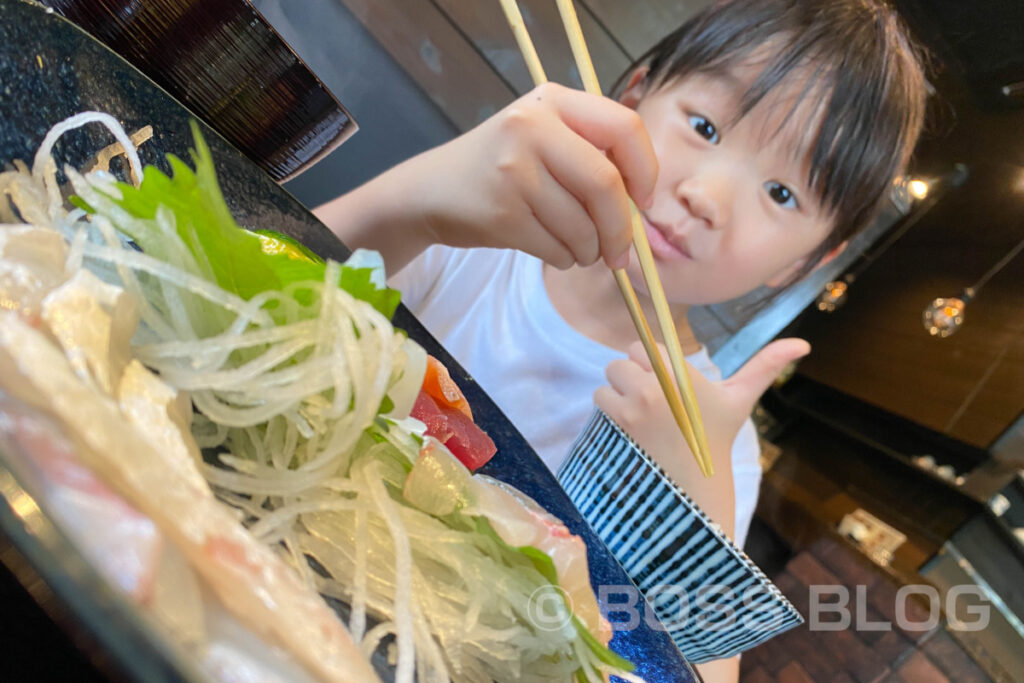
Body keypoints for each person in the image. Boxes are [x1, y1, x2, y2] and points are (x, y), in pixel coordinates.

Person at [315, 0, 927, 676]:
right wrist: (414, 201)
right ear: (631, 95)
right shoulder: (480, 240)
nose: (708, 196)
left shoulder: (717, 444)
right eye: (703, 125)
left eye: (782, 193)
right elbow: (244, 276)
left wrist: (693, 513)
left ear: (806, 263)